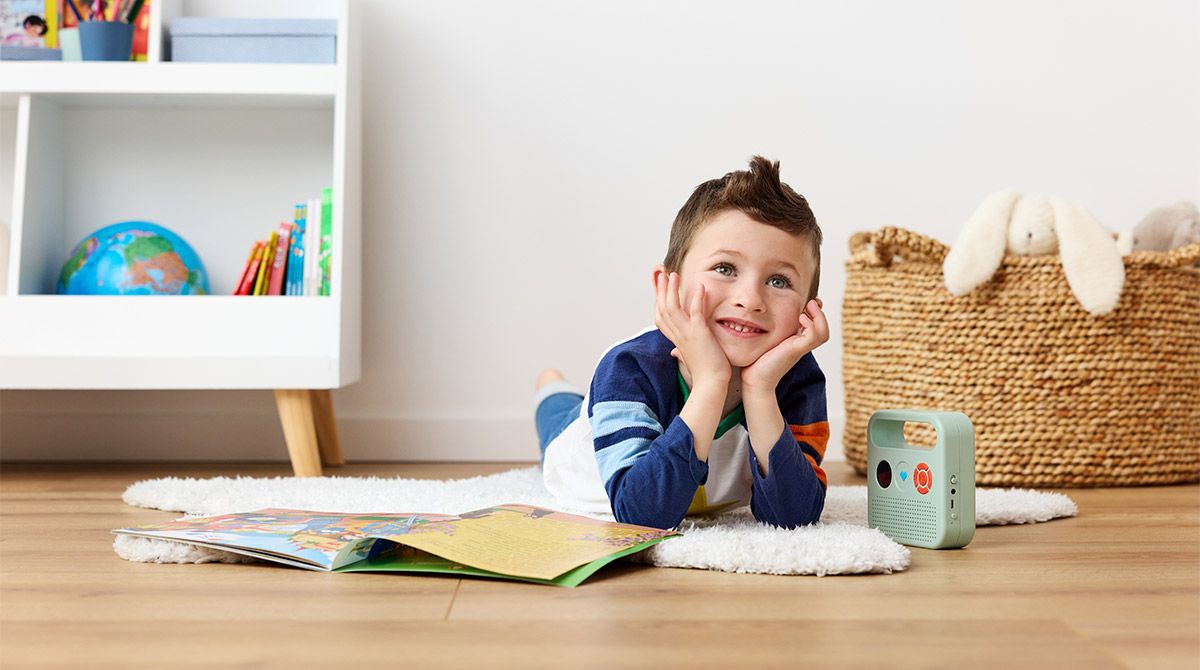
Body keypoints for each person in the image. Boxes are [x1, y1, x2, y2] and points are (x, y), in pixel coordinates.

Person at [534, 156, 830, 530]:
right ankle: (551, 386)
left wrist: (759, 389)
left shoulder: (797, 376)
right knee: (558, 424)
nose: (750, 299)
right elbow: (643, 514)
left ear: (808, 308)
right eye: (725, 269)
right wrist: (710, 383)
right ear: (668, 285)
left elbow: (794, 516)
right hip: (582, 454)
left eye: (779, 281)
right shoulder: (629, 368)